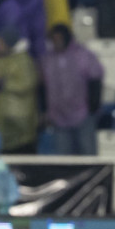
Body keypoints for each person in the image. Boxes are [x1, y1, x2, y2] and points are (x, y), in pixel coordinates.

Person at [40, 25, 103, 155]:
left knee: (87, 154)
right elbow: (42, 85)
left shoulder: (83, 55)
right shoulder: (48, 59)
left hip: (83, 114)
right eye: (54, 39)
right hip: (58, 117)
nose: (56, 42)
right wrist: (45, 110)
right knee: (64, 158)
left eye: (59, 38)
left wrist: (93, 106)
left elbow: (95, 80)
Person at [0, 28, 40, 154]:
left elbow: (26, 83)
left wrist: (2, 83)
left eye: (0, 42)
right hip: (0, 121)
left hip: (21, 123)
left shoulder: (23, 60)